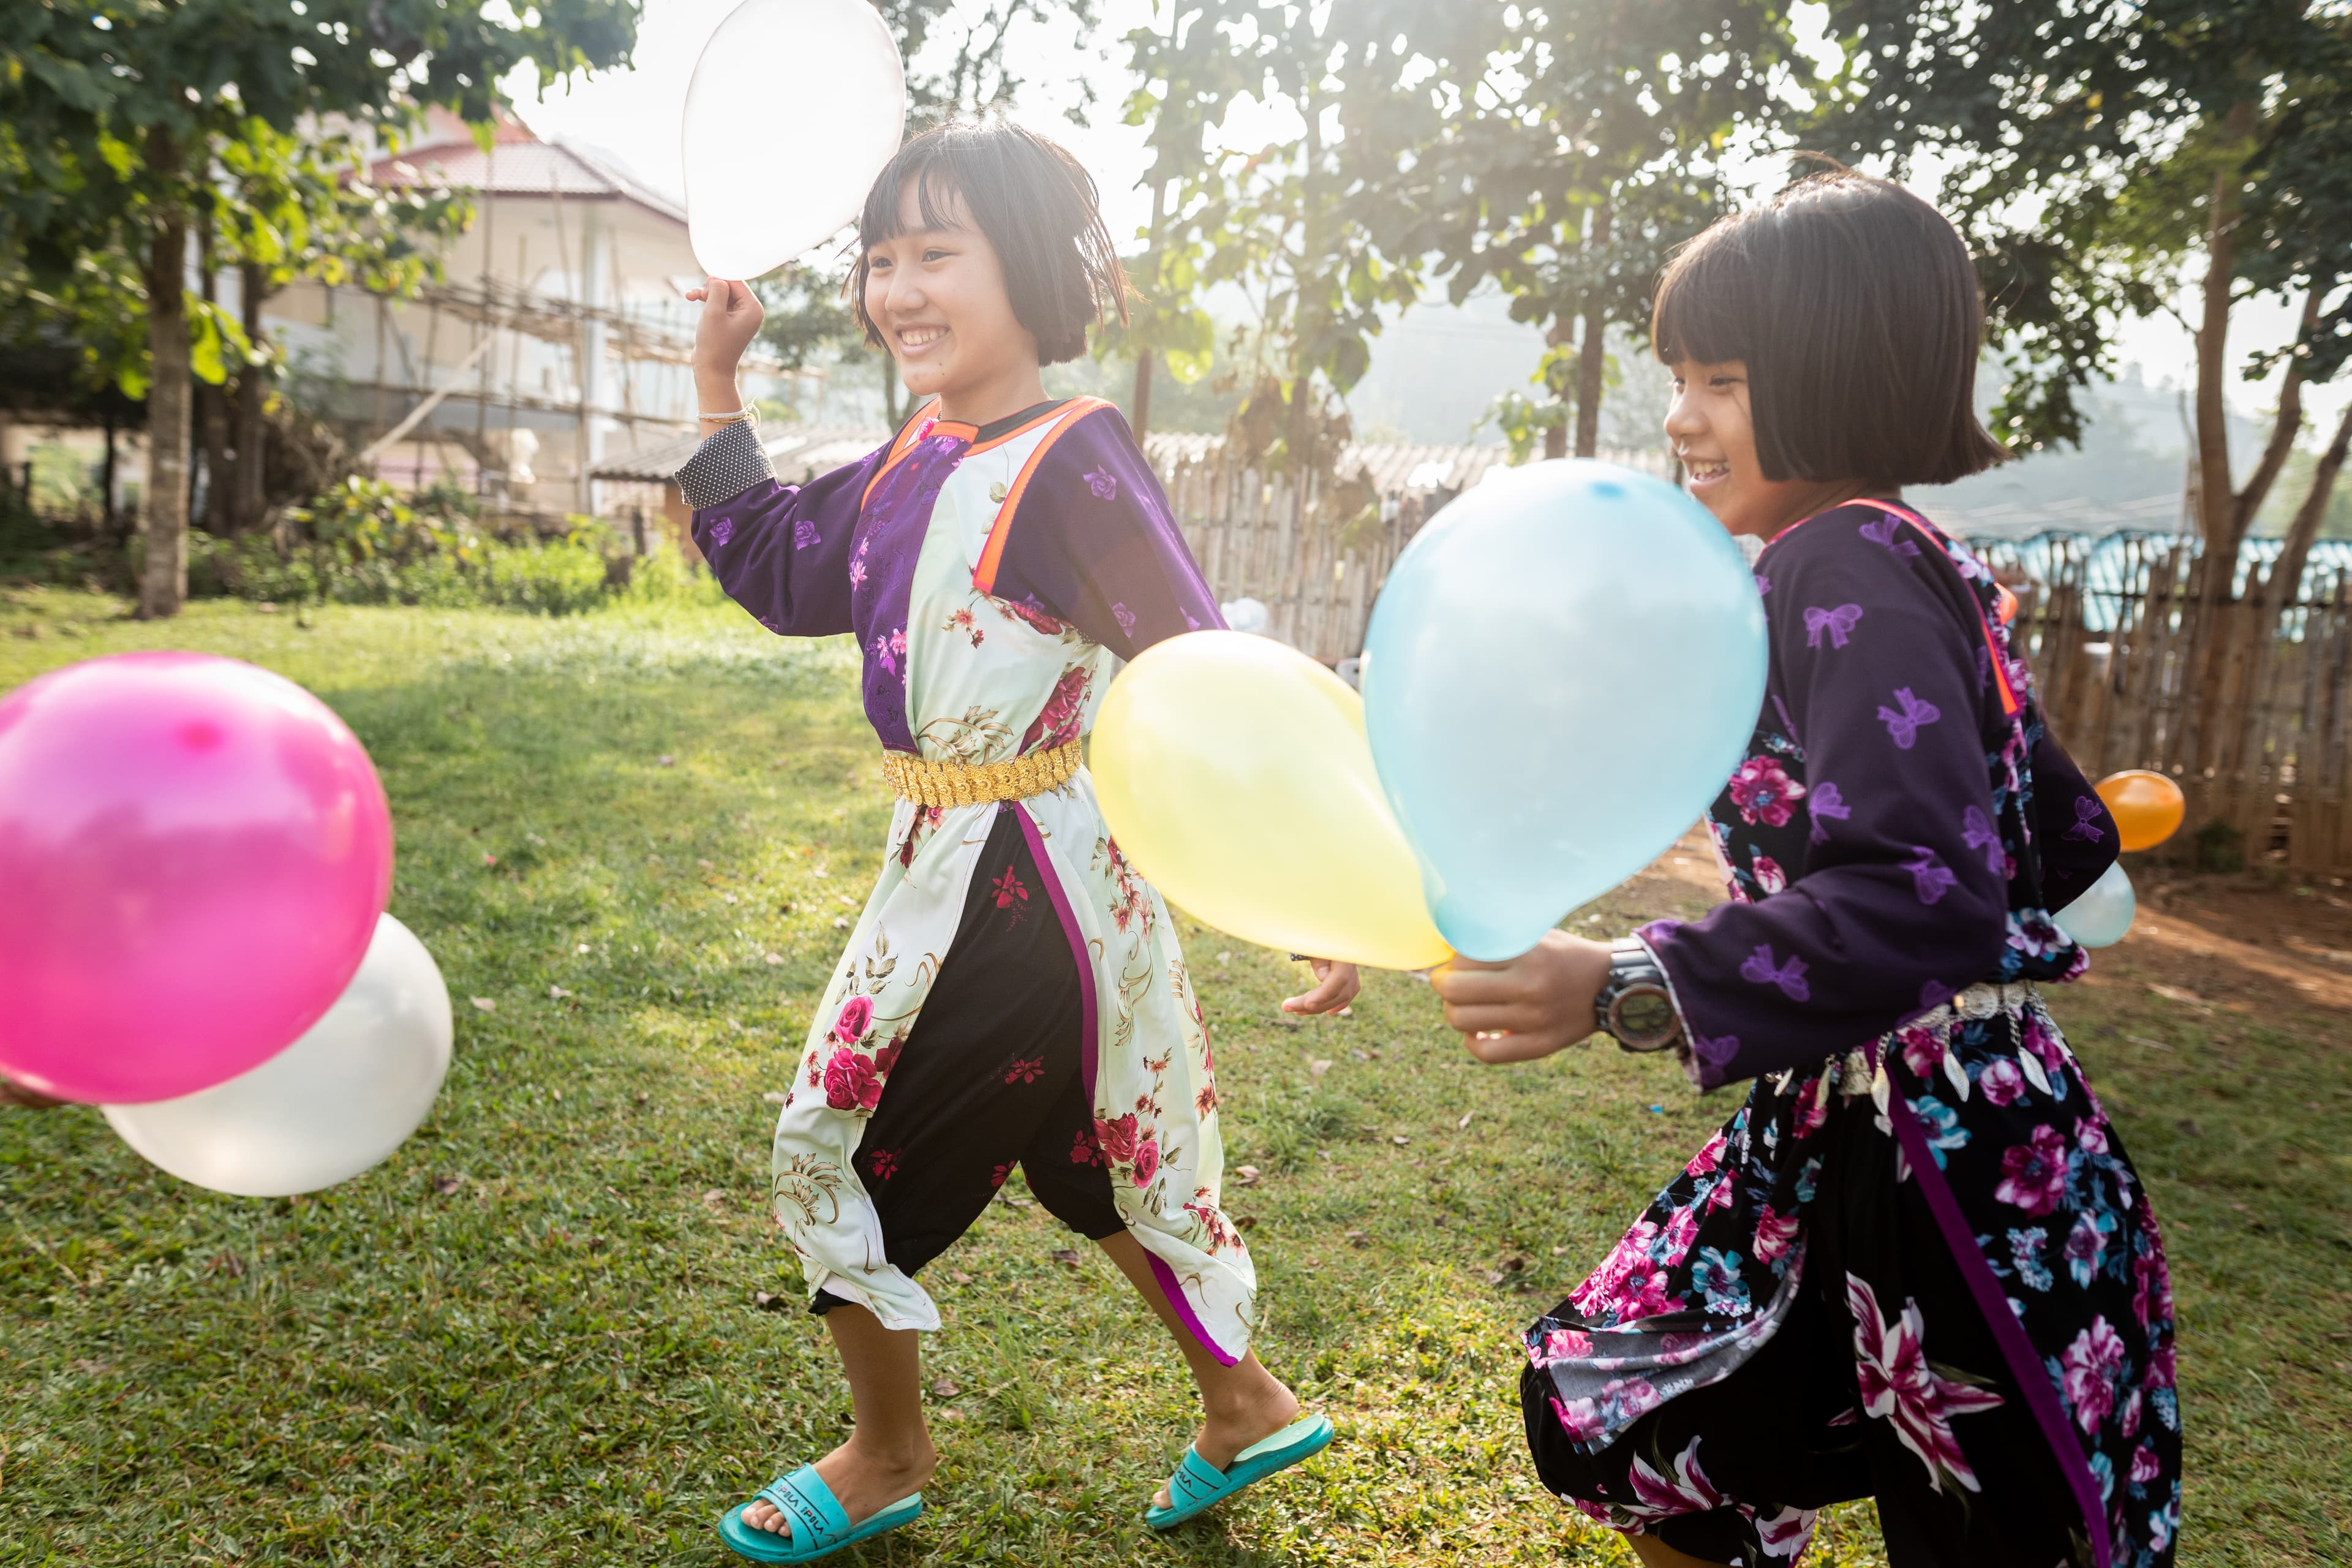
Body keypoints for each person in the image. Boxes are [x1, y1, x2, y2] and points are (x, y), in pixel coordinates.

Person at [1431, 170, 2179, 1568]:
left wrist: (1627, 981)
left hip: (1945, 1167)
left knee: (1962, 1519)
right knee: (1629, 1407)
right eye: (1679, 376)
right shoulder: (1870, 565)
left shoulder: (1845, 565)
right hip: (1858, 1116)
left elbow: (1925, 895)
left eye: (1722, 377)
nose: (1682, 415)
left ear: (1838, 376)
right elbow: (2062, 840)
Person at [675, 119, 1354, 1563]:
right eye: (880, 259)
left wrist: (1306, 887)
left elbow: (1197, 668)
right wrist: (716, 379)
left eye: (938, 252)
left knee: (835, 1136)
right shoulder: (920, 450)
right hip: (948, 853)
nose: (899, 288)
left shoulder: (1072, 457)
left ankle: (885, 1452)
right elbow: (790, 568)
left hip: (1025, 877)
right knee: (1084, 1147)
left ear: (1031, 270)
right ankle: (1244, 1400)